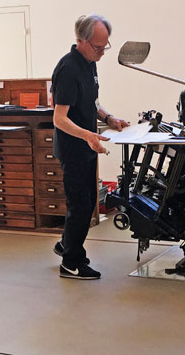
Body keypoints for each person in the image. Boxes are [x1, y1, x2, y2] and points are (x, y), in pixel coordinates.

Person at [51, 14, 129, 279]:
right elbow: (59, 119)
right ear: (80, 41)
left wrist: (108, 119)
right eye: (98, 47)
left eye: (105, 46)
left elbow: (92, 103)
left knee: (86, 203)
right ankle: (71, 262)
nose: (102, 53)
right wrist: (87, 135)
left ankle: (65, 245)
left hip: (86, 146)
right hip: (73, 150)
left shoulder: (89, 63)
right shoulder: (69, 69)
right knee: (81, 206)